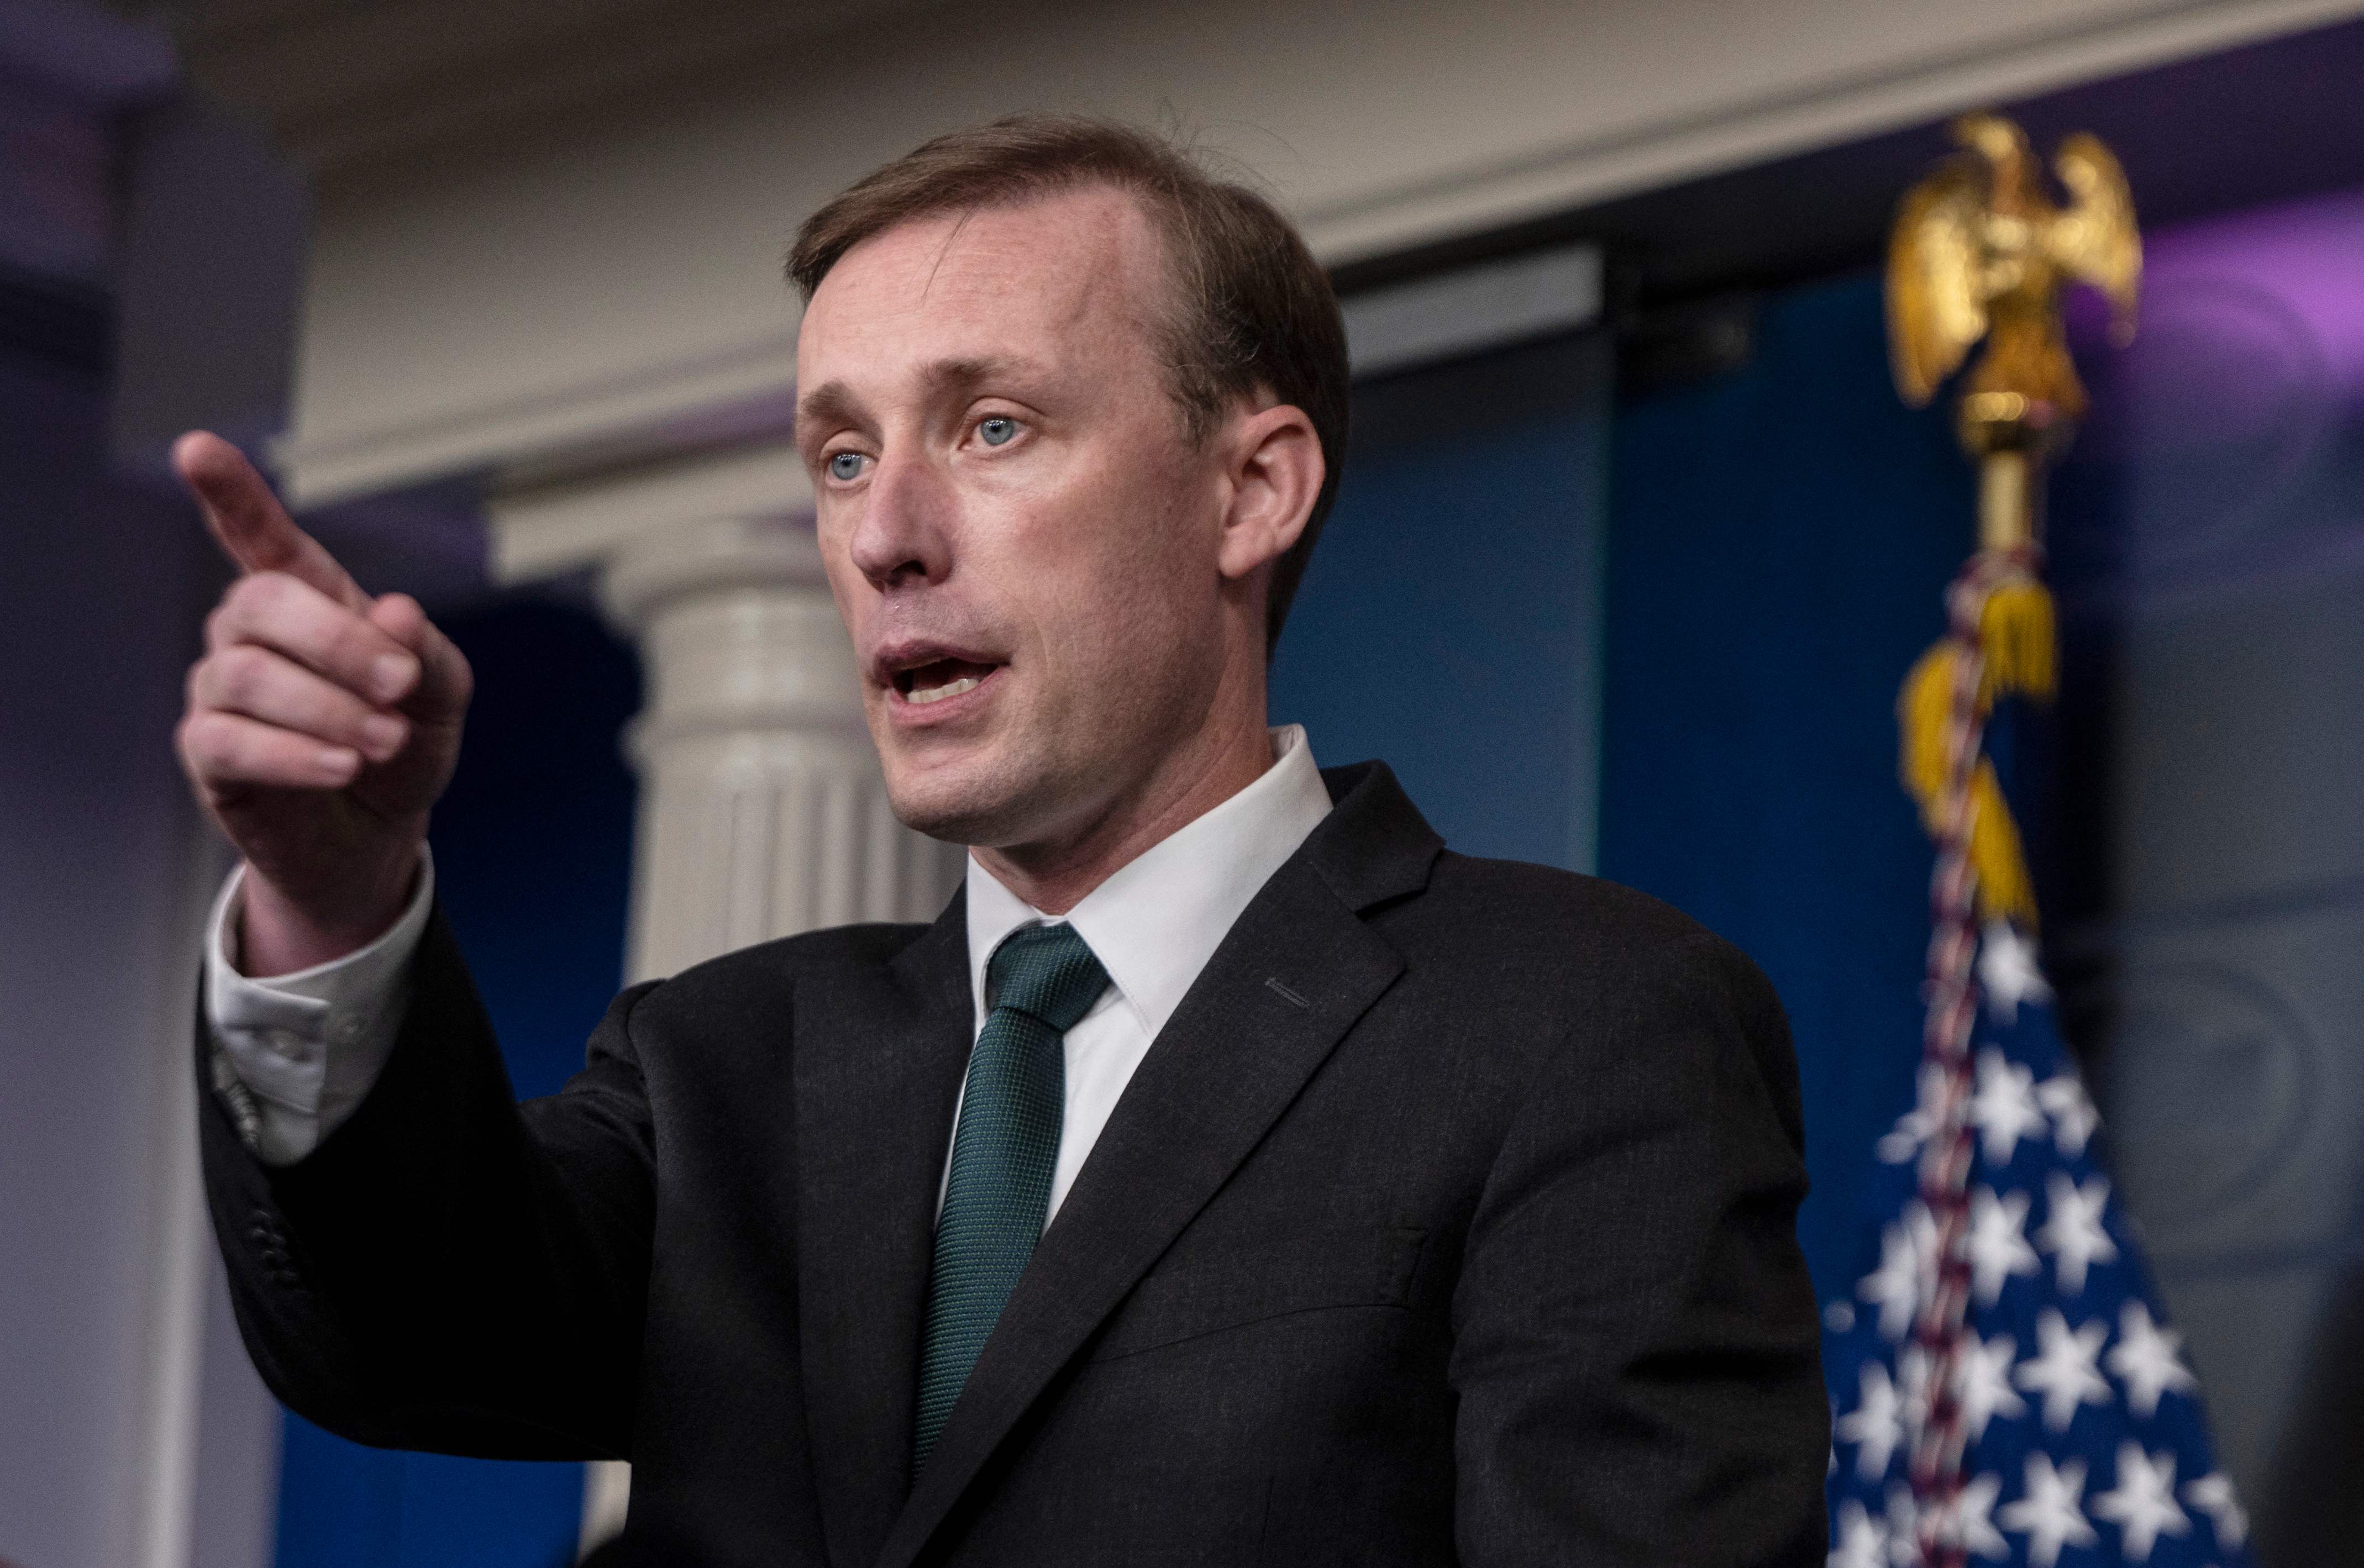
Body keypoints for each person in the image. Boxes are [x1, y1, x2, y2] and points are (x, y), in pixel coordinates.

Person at [180, 115, 1827, 1566]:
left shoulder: (1583, 1029)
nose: (886, 534)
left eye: (992, 428)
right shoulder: (725, 1065)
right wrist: (335, 893)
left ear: (1250, 492)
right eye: (841, 454)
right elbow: (394, 1336)